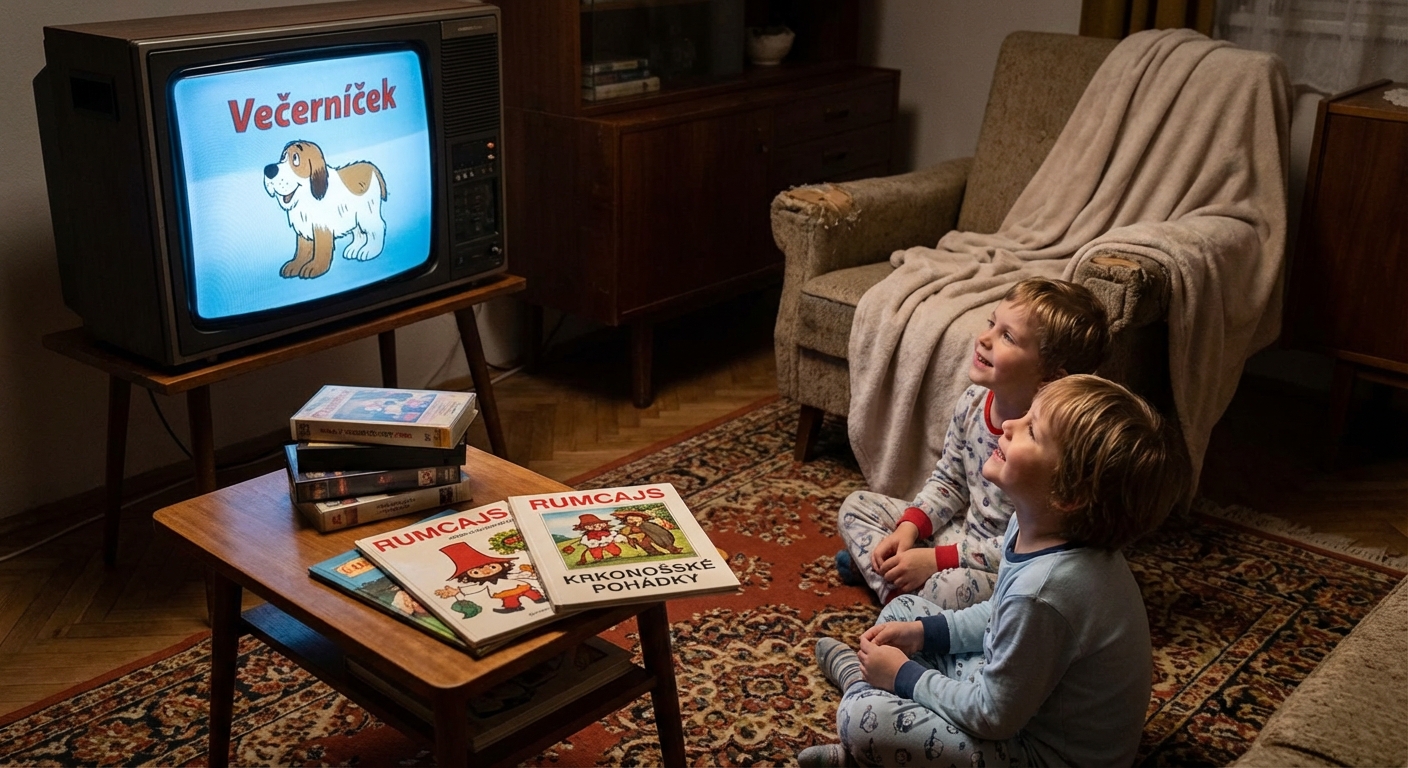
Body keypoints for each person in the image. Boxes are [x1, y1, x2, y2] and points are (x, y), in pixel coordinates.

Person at [801, 374, 1192, 768]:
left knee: (865, 721)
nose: (1009, 424)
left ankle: (859, 699)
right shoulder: (1032, 528)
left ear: (1068, 494)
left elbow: (991, 717)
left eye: (1032, 430)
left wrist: (903, 676)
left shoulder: (1045, 592)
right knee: (903, 613)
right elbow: (998, 616)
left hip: (1042, 754)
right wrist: (922, 633)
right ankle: (874, 698)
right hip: (1020, 704)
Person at [835, 277, 1111, 609]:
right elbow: (949, 481)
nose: (984, 338)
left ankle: (894, 590)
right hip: (961, 534)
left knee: (950, 588)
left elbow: (1027, 545)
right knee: (856, 507)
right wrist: (909, 529)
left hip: (1002, 563)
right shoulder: (973, 402)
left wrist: (936, 560)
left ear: (1049, 378)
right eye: (992, 324)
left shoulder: (1048, 447)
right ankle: (897, 587)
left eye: (1007, 336)